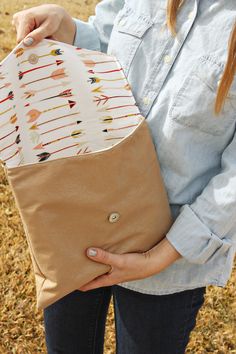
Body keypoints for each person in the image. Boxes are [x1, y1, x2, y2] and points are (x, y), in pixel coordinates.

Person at [12, 1, 236, 353]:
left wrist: (158, 257)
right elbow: (104, 46)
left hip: (168, 262)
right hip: (79, 219)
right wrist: (68, 29)